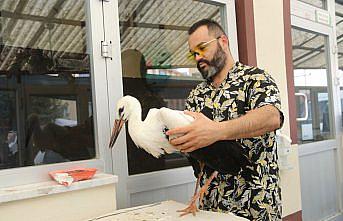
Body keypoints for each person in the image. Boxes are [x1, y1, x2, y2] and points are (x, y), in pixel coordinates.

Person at [166, 19, 284, 221]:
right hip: (210, 209)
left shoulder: (256, 79)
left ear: (223, 41)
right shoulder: (197, 95)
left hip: (255, 206)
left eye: (202, 48)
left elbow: (271, 117)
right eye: (193, 53)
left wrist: (217, 131)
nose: (198, 57)